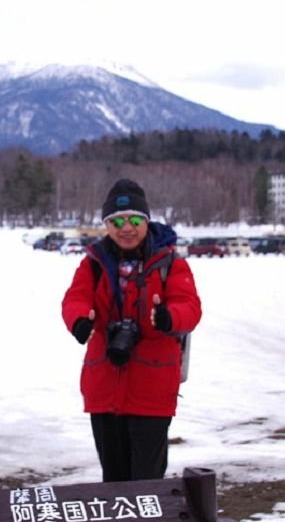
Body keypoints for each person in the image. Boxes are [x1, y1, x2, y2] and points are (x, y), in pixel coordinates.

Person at [62, 179, 202, 483]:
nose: (127, 228)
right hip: (104, 384)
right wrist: (79, 320)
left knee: (147, 481)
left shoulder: (171, 264)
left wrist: (167, 317)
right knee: (113, 479)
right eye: (117, 221)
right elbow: (76, 297)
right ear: (107, 226)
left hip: (152, 387)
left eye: (135, 220)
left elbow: (189, 307)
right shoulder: (94, 264)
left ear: (146, 221)